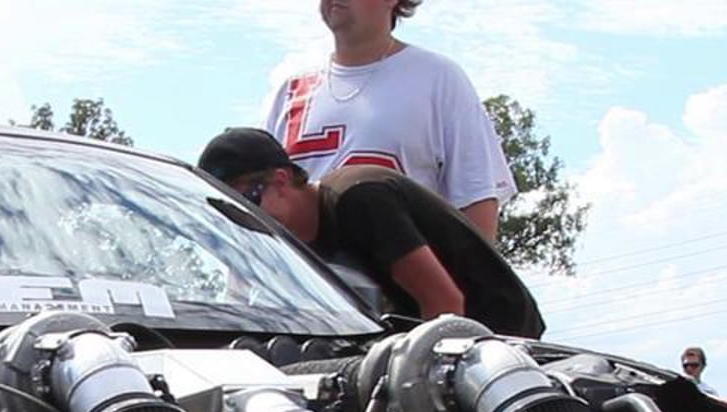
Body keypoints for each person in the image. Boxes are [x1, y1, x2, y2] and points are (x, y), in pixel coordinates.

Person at [197, 127, 543, 337]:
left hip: (499, 332)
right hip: (447, 332)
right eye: (229, 212)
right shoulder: (305, 241)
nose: (244, 217)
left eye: (246, 200)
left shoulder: (358, 200)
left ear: (281, 179)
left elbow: (444, 302)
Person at [262, 0, 515, 242]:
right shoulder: (291, 92)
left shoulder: (437, 78)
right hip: (300, 270)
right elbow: (259, 200)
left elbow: (476, 199)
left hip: (401, 269)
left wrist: (473, 273)